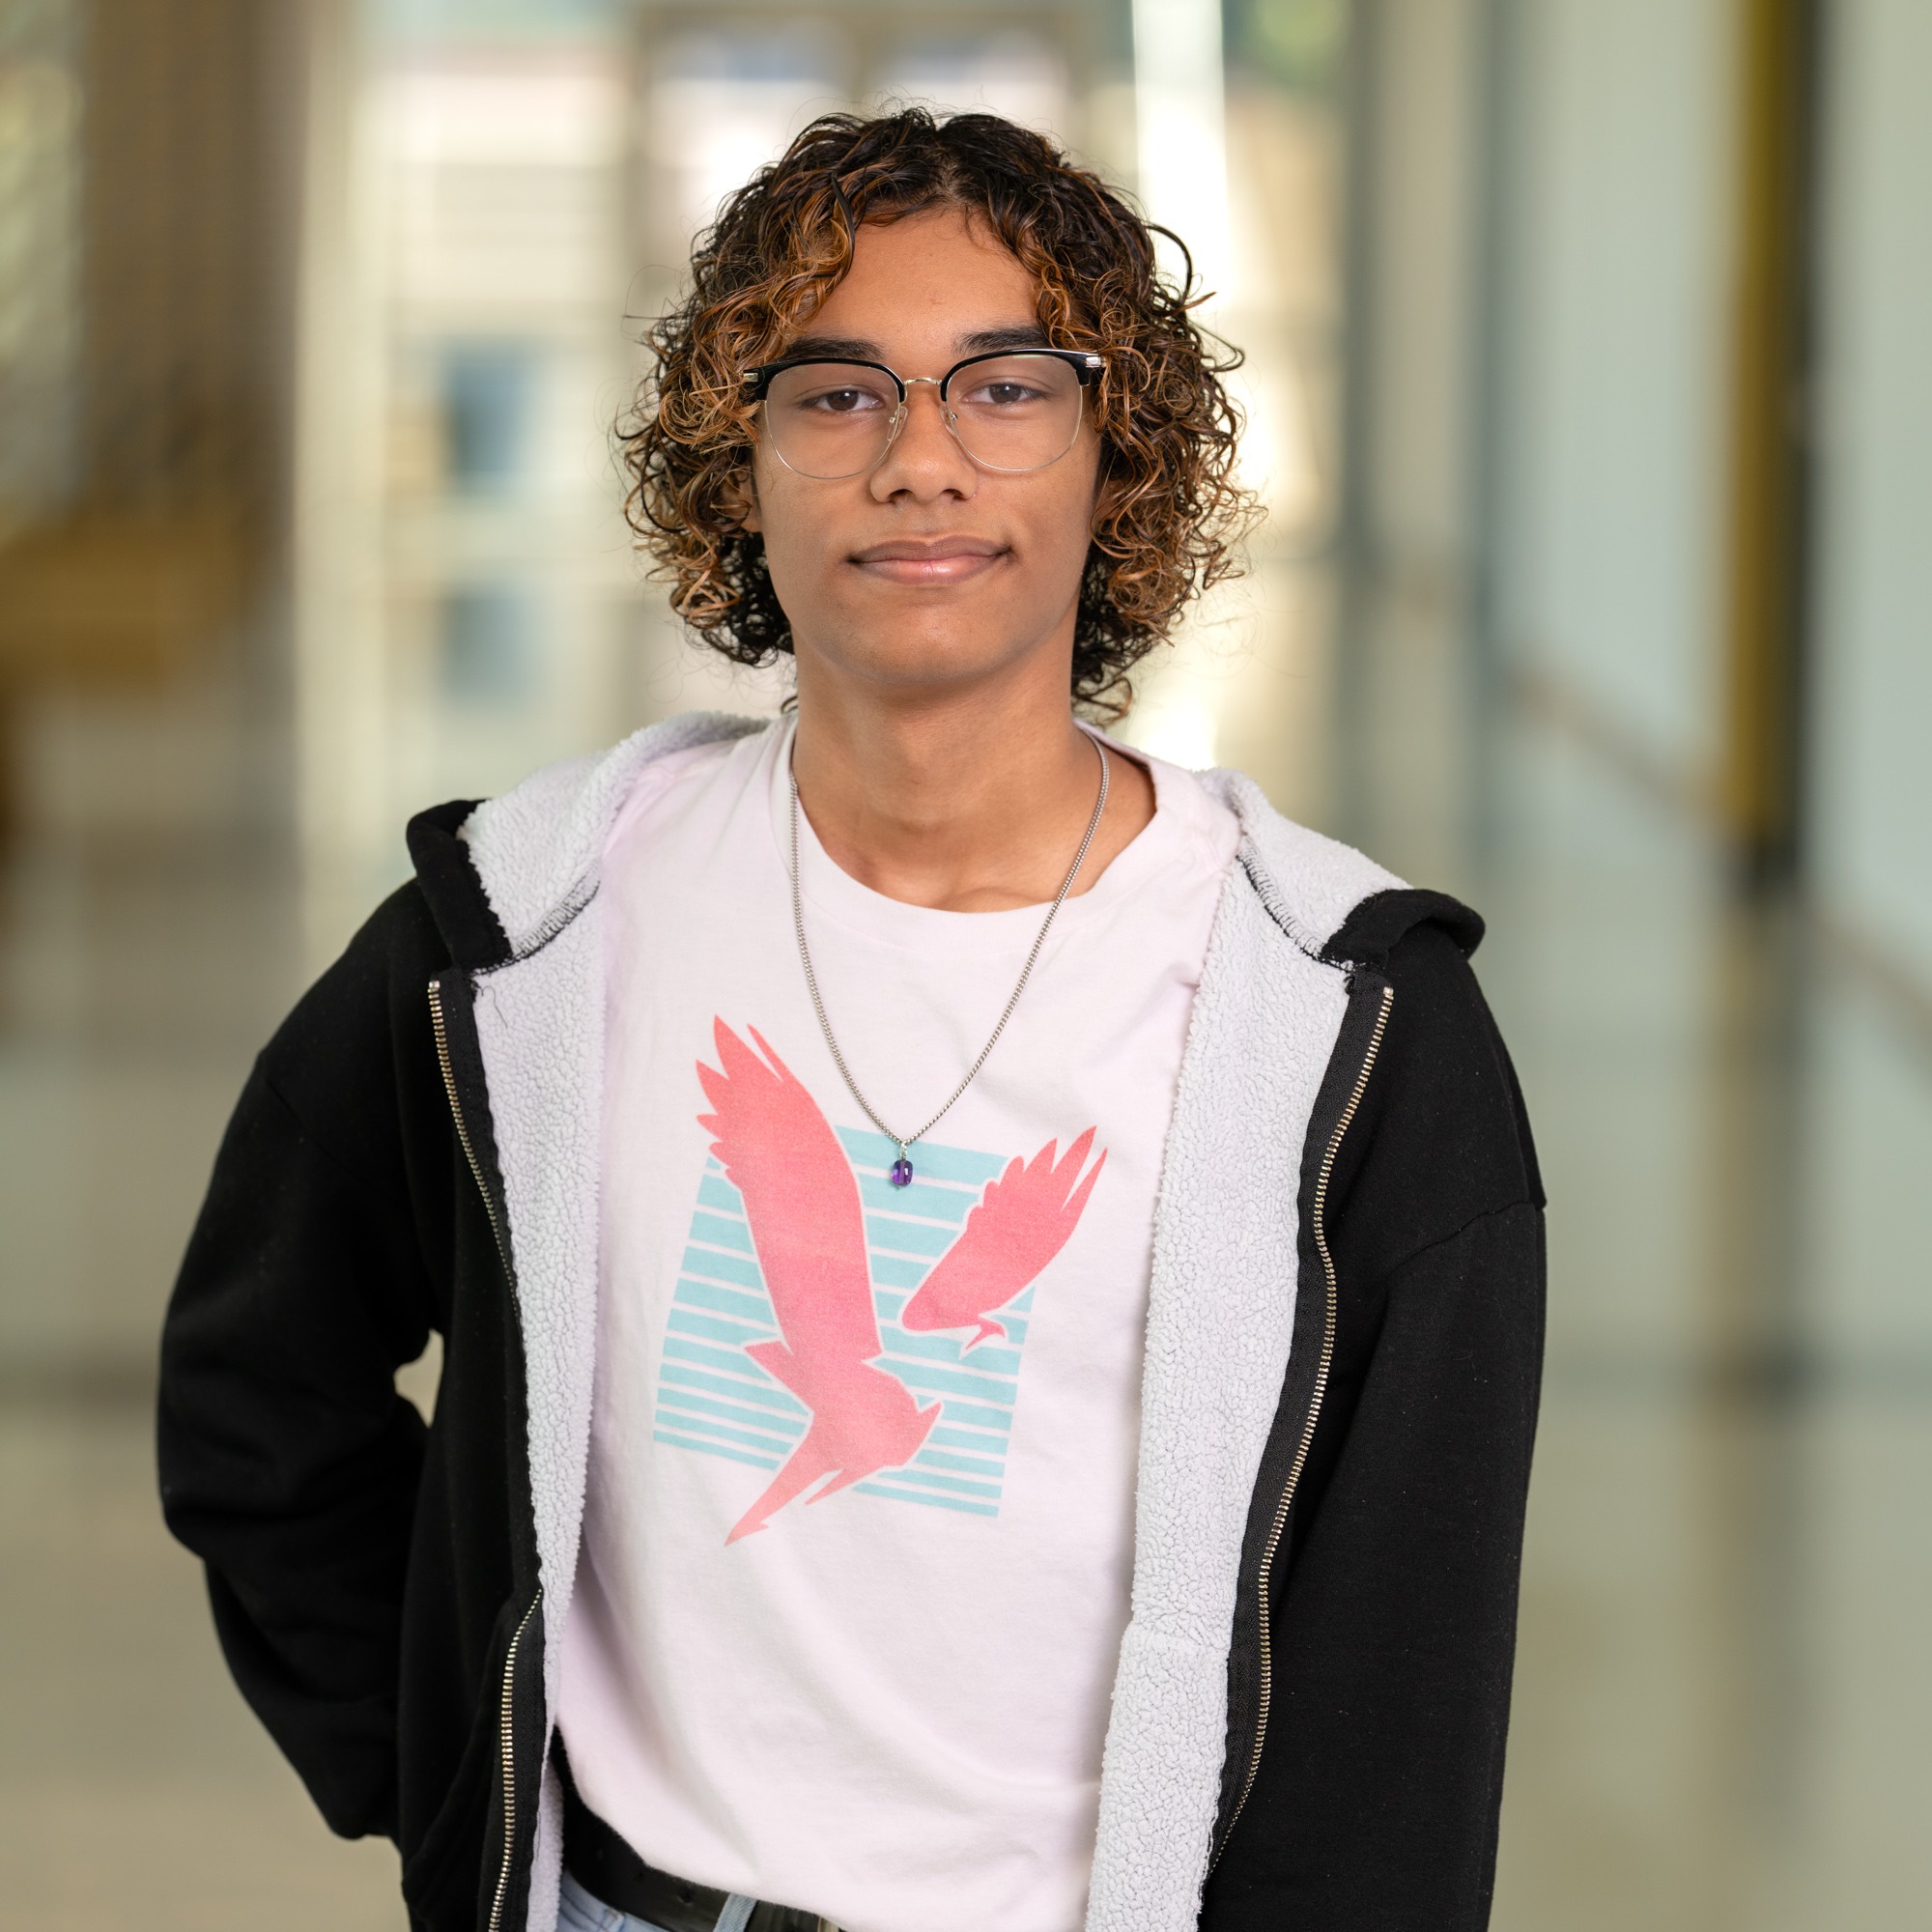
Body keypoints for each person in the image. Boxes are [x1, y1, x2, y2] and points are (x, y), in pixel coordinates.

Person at [158, 109, 1543, 1932]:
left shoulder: (1353, 1030)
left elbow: (1402, 1694)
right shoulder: (529, 930)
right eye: (835, 395)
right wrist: (438, 1765)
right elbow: (261, 1389)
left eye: (1006, 391)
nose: (920, 463)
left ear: (1116, 461)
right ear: (737, 466)